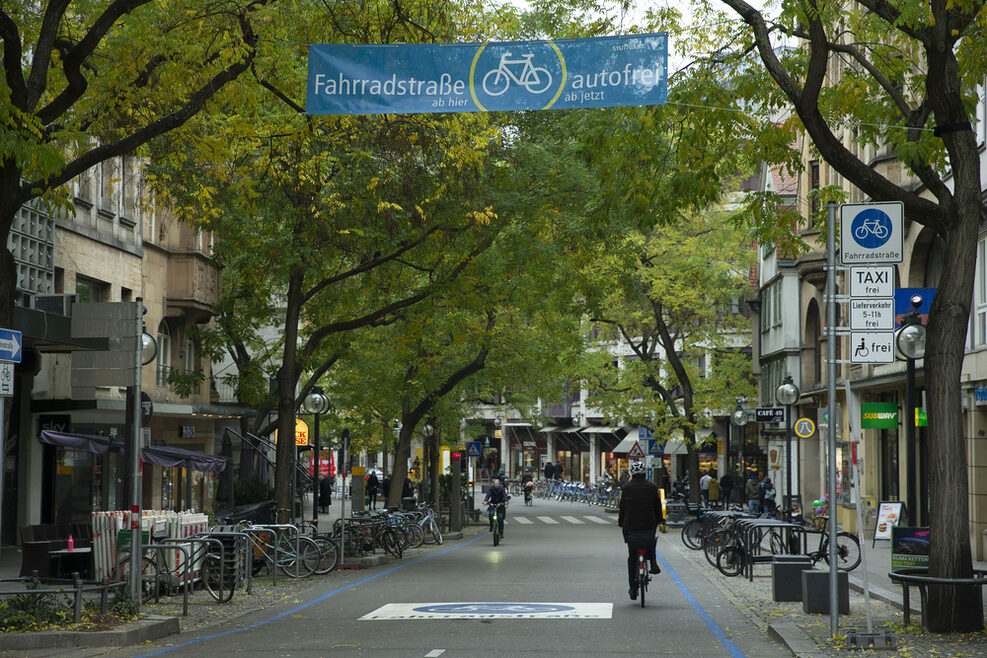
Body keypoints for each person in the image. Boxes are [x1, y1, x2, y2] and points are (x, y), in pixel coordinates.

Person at [618, 461, 662, 601]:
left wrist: (621, 522)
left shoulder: (627, 487)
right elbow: (657, 506)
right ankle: (653, 562)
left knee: (632, 557)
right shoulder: (652, 487)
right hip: (648, 524)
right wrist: (660, 519)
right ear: (644, 472)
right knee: (651, 542)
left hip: (631, 526)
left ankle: (633, 587)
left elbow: (622, 508)